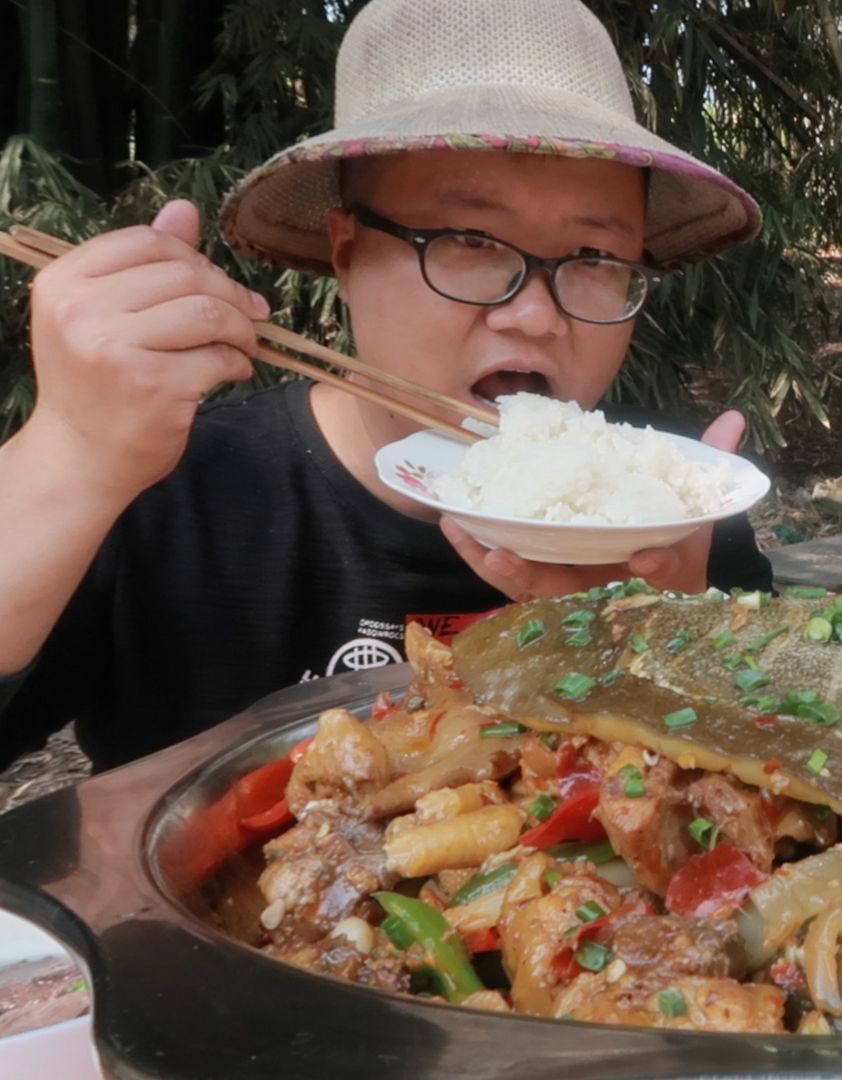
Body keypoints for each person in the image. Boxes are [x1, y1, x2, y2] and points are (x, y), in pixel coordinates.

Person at [0, 0, 774, 771]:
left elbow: (777, 797)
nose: (536, 314)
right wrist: (69, 455)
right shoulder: (165, 489)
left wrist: (669, 628)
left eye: (598, 257)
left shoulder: (680, 515)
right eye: (469, 241)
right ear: (346, 252)